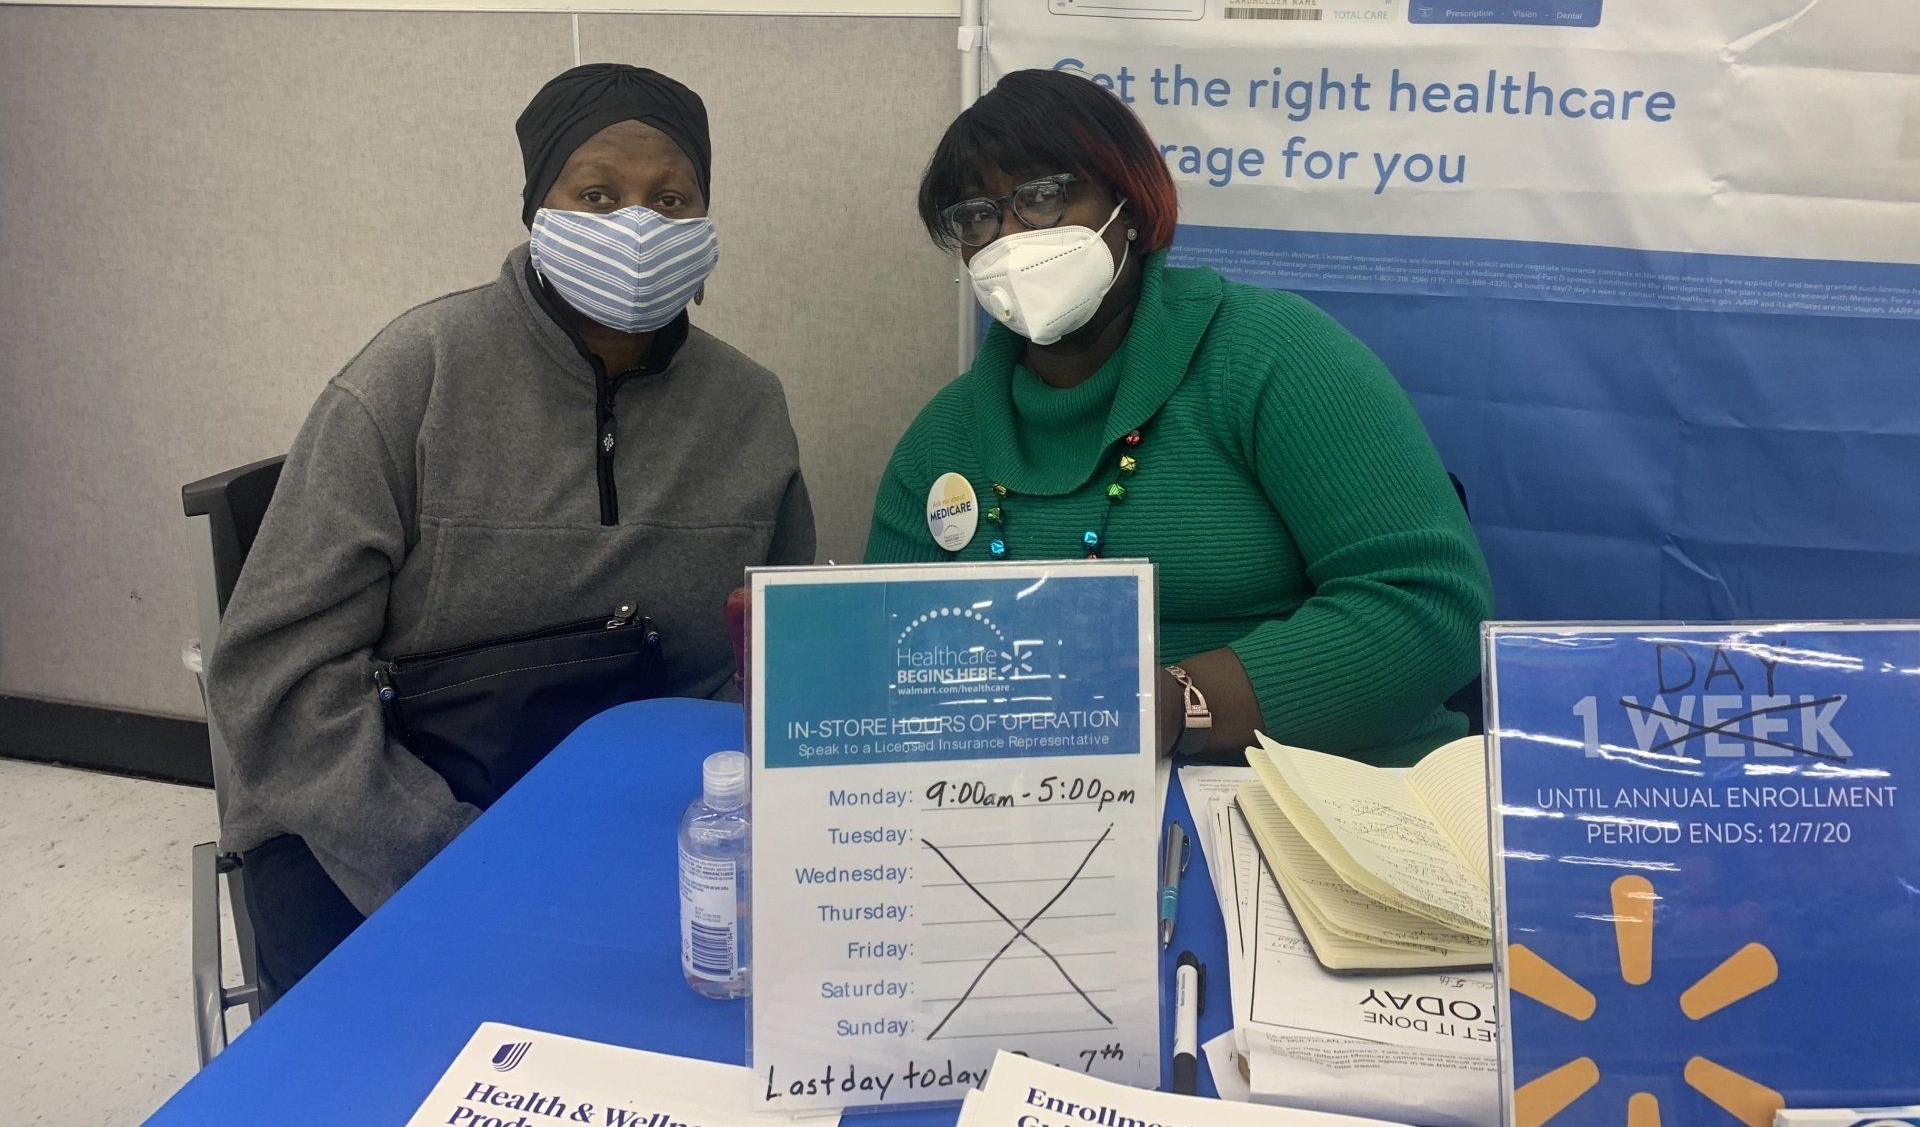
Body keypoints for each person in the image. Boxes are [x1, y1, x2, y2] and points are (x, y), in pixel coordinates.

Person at [206, 63, 813, 1005]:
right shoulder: (411, 382)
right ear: (538, 208)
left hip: (653, 830)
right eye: (598, 194)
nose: (638, 226)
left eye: (672, 199)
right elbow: (274, 678)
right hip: (385, 820)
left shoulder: (750, 408)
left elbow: (777, 652)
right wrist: (457, 857)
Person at [866, 69, 1492, 766]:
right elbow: (896, 658)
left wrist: (1179, 704)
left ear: (1129, 205)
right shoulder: (943, 440)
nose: (1010, 235)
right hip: (1041, 806)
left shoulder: (1273, 357)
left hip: (1318, 789)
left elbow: (1429, 607)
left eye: (1044, 197)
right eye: (978, 215)